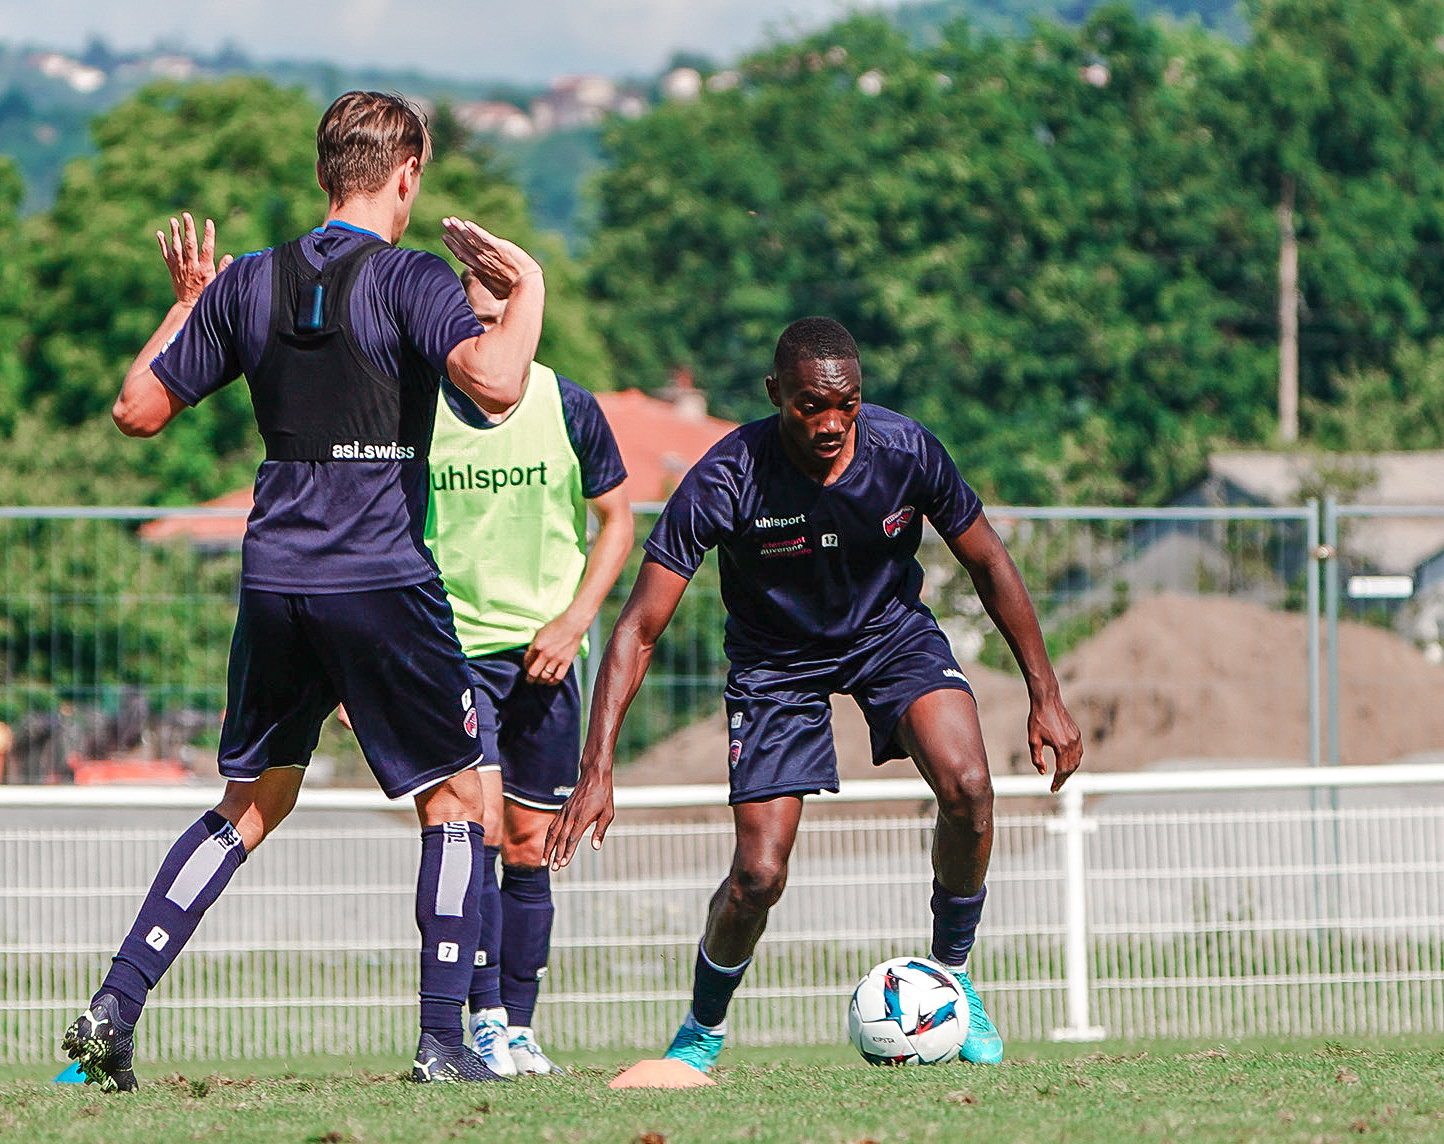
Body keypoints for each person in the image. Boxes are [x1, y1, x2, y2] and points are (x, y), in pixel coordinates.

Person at [62, 91, 547, 1090]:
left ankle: (117, 1002)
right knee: (457, 800)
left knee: (250, 800)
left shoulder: (246, 284)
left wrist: (190, 299)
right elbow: (498, 387)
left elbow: (135, 408)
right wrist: (528, 284)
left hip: (276, 575)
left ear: (327, 172)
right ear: (405, 174)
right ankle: (442, 1043)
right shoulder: (410, 281)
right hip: (380, 577)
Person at [544, 317, 1083, 1071]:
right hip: (775, 665)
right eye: (809, 406)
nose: (831, 424)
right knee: (759, 875)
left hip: (889, 636)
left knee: (969, 788)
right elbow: (636, 629)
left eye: (847, 405)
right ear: (775, 395)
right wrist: (598, 766)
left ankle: (952, 980)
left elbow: (989, 561)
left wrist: (1045, 693)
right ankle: (700, 1031)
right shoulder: (727, 476)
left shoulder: (905, 451)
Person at [424, 268, 633, 1074]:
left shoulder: (568, 404)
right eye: (470, 318)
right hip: (452, 649)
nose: (483, 333)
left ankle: (518, 1023)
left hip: (547, 655)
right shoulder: (426, 408)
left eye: (496, 316)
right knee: (468, 828)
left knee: (530, 844)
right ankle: (477, 1015)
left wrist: (576, 618)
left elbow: (618, 517)